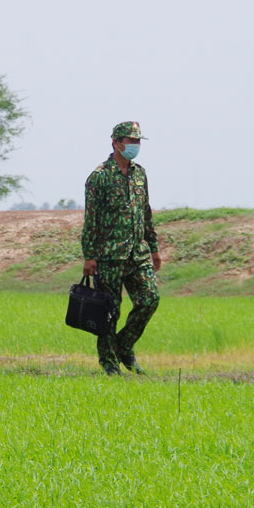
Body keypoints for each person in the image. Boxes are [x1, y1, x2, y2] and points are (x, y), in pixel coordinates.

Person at [81, 121, 162, 375]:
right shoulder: (99, 176)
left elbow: (145, 212)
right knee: (109, 311)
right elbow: (91, 218)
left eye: (138, 142)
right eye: (130, 141)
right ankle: (108, 362)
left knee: (150, 299)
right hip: (109, 256)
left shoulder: (140, 174)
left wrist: (154, 247)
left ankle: (123, 345)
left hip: (137, 254)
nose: (135, 146)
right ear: (116, 143)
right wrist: (89, 255)